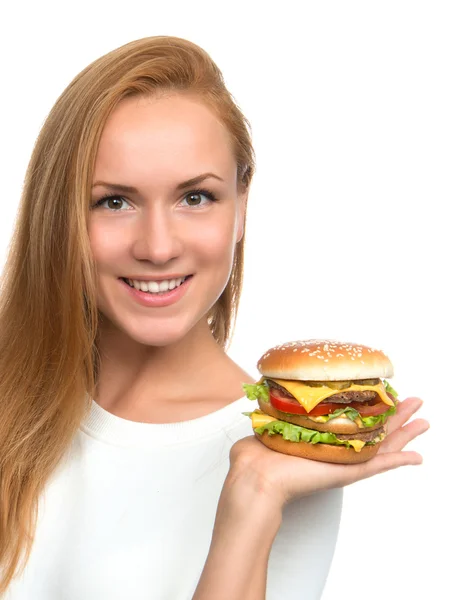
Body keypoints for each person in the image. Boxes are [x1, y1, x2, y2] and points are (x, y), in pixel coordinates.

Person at [0, 36, 429, 599]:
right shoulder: (11, 400)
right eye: (114, 201)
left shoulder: (282, 461)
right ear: (60, 216)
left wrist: (251, 505)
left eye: (195, 198)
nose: (157, 247)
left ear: (242, 205)